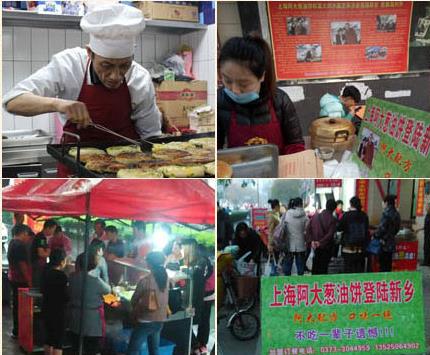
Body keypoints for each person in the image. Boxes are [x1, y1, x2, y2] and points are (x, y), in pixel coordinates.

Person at [3, 4, 162, 177]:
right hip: (75, 166)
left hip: (128, 169)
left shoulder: (139, 78)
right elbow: (13, 101)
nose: (115, 76)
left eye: (124, 65)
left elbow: (151, 136)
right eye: (106, 65)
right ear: (90, 53)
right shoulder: (69, 65)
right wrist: (58, 104)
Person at [217, 34, 305, 155]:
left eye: (244, 84)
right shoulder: (219, 102)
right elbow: (215, 150)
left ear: (262, 76)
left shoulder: (280, 100)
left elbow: (295, 144)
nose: (235, 90)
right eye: (227, 80)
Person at [68, 252, 111, 355]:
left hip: (75, 319)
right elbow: (108, 290)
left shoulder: (72, 278)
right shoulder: (95, 280)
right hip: (92, 323)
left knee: (75, 348)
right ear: (93, 265)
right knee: (91, 349)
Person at [127, 252, 169, 355]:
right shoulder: (165, 278)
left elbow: (134, 300)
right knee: (154, 350)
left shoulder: (145, 280)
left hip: (146, 320)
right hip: (160, 319)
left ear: (150, 264)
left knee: (132, 350)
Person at [41, 248, 69, 355]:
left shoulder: (45, 272)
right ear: (62, 261)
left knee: (48, 339)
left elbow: (42, 289)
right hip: (58, 312)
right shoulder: (62, 276)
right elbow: (65, 296)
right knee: (58, 342)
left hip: (46, 308)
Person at [7, 224, 33, 339]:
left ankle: (17, 330)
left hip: (13, 278)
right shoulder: (20, 246)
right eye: (27, 235)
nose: (28, 239)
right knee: (22, 308)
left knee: (17, 306)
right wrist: (29, 280)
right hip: (20, 280)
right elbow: (22, 265)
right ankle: (21, 332)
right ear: (24, 233)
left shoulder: (12, 243)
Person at [337, 196, 369, 273]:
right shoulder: (364, 215)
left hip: (348, 249)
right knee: (359, 271)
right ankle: (357, 284)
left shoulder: (346, 215)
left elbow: (339, 228)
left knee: (348, 270)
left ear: (350, 204)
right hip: (361, 249)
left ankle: (349, 284)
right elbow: (366, 229)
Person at [306, 199, 337, 275]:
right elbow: (330, 234)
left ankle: (314, 284)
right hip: (326, 248)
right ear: (334, 208)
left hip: (315, 247)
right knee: (323, 268)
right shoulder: (332, 219)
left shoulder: (316, 216)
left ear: (326, 206)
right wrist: (320, 242)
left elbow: (308, 229)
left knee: (315, 267)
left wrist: (312, 241)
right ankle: (321, 285)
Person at [373, 195, 401, 272]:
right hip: (391, 243)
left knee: (382, 265)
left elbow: (382, 229)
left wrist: (375, 235)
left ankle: (383, 282)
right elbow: (397, 228)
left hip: (384, 243)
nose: (382, 204)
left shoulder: (386, 213)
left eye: (383, 202)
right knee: (388, 265)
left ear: (386, 203)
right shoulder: (396, 213)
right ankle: (388, 281)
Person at [283, 198, 309, 276]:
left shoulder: (288, 213)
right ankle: (299, 283)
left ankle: (287, 282)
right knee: (300, 267)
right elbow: (307, 228)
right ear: (301, 204)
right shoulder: (304, 215)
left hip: (289, 243)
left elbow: (283, 226)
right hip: (300, 243)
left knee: (287, 266)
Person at [31, 219, 57, 287]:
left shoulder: (42, 237)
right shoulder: (41, 238)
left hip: (39, 266)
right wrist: (48, 251)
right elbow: (41, 254)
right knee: (37, 285)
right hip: (37, 266)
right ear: (48, 228)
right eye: (53, 229)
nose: (53, 232)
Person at [267, 199, 281, 275]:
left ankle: (274, 275)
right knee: (273, 260)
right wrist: (270, 244)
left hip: (277, 242)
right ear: (276, 206)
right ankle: (273, 278)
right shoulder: (272, 216)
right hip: (273, 242)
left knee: (276, 260)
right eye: (279, 206)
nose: (280, 207)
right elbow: (270, 231)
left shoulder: (276, 214)